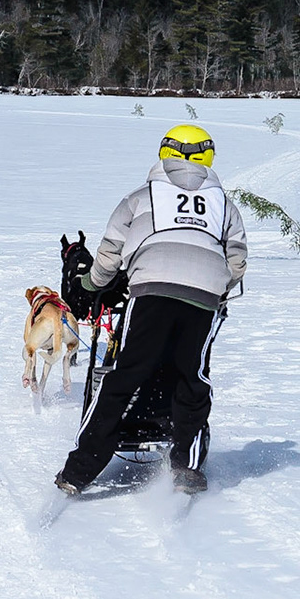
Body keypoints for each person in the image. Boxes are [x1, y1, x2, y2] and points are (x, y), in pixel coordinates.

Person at [57, 123, 247, 496]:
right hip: (204, 296)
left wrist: (91, 284)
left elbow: (109, 254)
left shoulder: (139, 197)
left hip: (151, 290)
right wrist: (217, 289)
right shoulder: (225, 205)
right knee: (193, 378)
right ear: (208, 157)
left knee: (124, 375)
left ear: (164, 154)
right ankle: (187, 468)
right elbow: (237, 261)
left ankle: (78, 472)